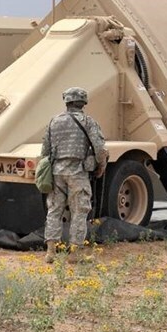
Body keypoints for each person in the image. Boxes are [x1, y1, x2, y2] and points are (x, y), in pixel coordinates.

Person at [42, 87, 107, 263]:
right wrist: (101, 167)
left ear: (67, 101)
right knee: (79, 211)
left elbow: (45, 151)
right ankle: (74, 254)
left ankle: (50, 252)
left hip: (57, 172)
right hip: (78, 172)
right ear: (83, 102)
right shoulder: (88, 122)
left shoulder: (54, 121)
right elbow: (100, 149)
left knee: (54, 210)